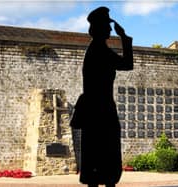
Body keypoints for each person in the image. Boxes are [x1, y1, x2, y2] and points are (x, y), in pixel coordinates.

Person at [70, 6, 133, 187]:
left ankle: (101, 180)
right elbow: (127, 64)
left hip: (96, 109)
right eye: (107, 25)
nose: (110, 29)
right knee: (105, 150)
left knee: (97, 151)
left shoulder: (97, 48)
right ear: (99, 28)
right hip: (101, 109)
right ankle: (106, 180)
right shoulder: (99, 50)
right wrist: (124, 38)